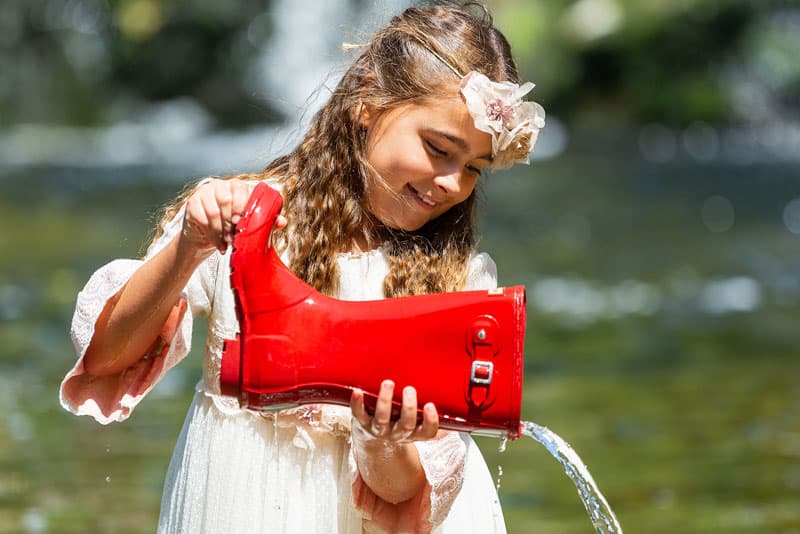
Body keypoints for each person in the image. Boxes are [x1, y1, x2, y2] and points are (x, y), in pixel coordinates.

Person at [59, 3, 545, 533]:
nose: (453, 182)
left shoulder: (458, 284)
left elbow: (401, 496)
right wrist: (189, 247)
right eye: (437, 148)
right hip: (240, 503)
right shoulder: (247, 221)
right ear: (367, 101)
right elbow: (107, 359)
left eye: (474, 167)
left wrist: (384, 438)